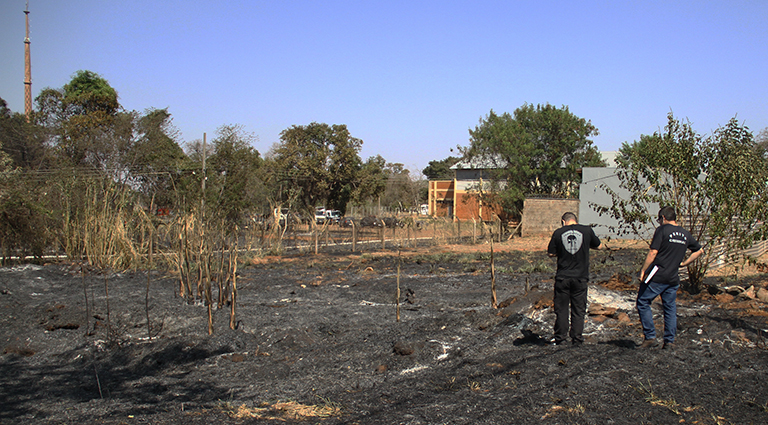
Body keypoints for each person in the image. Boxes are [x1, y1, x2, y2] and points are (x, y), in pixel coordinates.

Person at [637, 206, 702, 349]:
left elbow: (653, 252)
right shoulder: (685, 234)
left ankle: (650, 337)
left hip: (657, 274)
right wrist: (685, 263)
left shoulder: (662, 230)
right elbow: (699, 250)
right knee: (670, 308)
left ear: (663, 218)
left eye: (659, 219)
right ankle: (669, 341)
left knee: (642, 301)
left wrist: (643, 270)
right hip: (673, 277)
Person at [547, 212, 601, 346]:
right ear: (575, 220)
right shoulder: (587, 231)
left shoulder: (558, 233)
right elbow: (598, 245)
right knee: (578, 309)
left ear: (563, 221)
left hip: (563, 277)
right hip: (580, 277)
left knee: (562, 309)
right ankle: (577, 338)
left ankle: (561, 338)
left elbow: (551, 253)